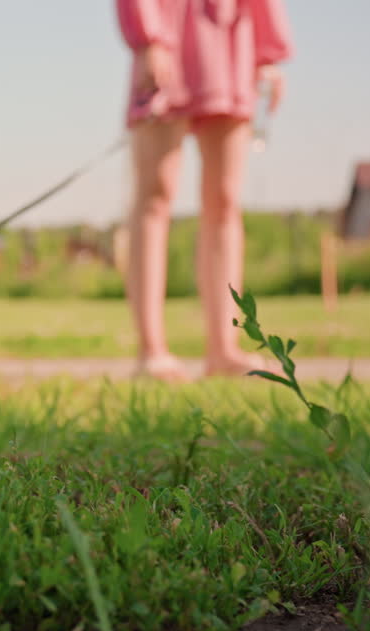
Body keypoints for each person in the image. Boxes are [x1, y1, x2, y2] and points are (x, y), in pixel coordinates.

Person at [116, 0, 293, 380]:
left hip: (232, 39)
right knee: (155, 193)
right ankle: (152, 351)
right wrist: (149, 38)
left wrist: (268, 53)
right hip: (166, 28)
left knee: (225, 200)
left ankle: (223, 350)